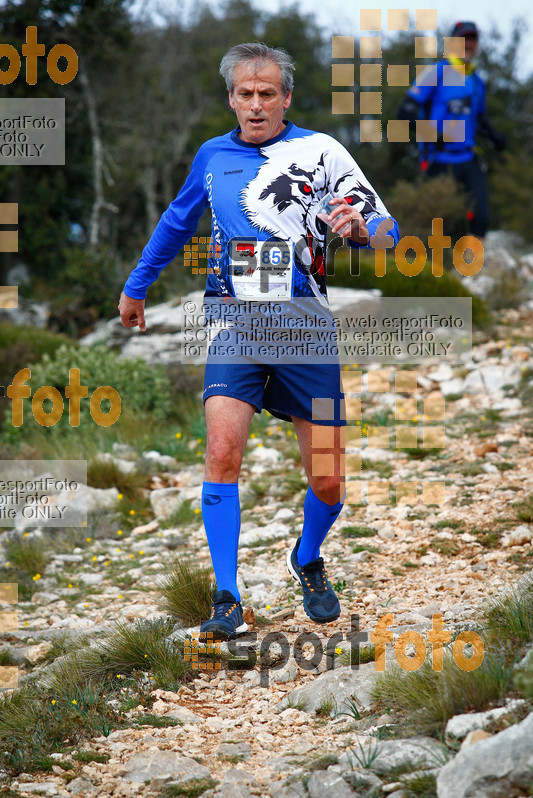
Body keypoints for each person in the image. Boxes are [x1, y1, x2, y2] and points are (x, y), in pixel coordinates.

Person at [118, 42, 399, 639]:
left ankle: (308, 556)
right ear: (230, 99)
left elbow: (385, 228)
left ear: (286, 98)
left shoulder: (320, 152)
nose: (255, 104)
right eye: (244, 94)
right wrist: (136, 286)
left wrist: (360, 226)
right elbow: (176, 220)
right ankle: (226, 596)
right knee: (222, 454)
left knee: (328, 478)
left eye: (266, 93)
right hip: (233, 322)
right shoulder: (212, 156)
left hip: (306, 326)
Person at [398, 21, 507, 240]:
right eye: (463, 39)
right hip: (438, 158)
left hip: (467, 157)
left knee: (481, 217)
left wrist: (494, 136)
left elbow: (480, 119)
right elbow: (405, 113)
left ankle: (474, 270)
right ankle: (428, 268)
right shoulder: (436, 72)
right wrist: (432, 135)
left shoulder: (477, 82)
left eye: (472, 39)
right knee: (433, 220)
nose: (468, 44)